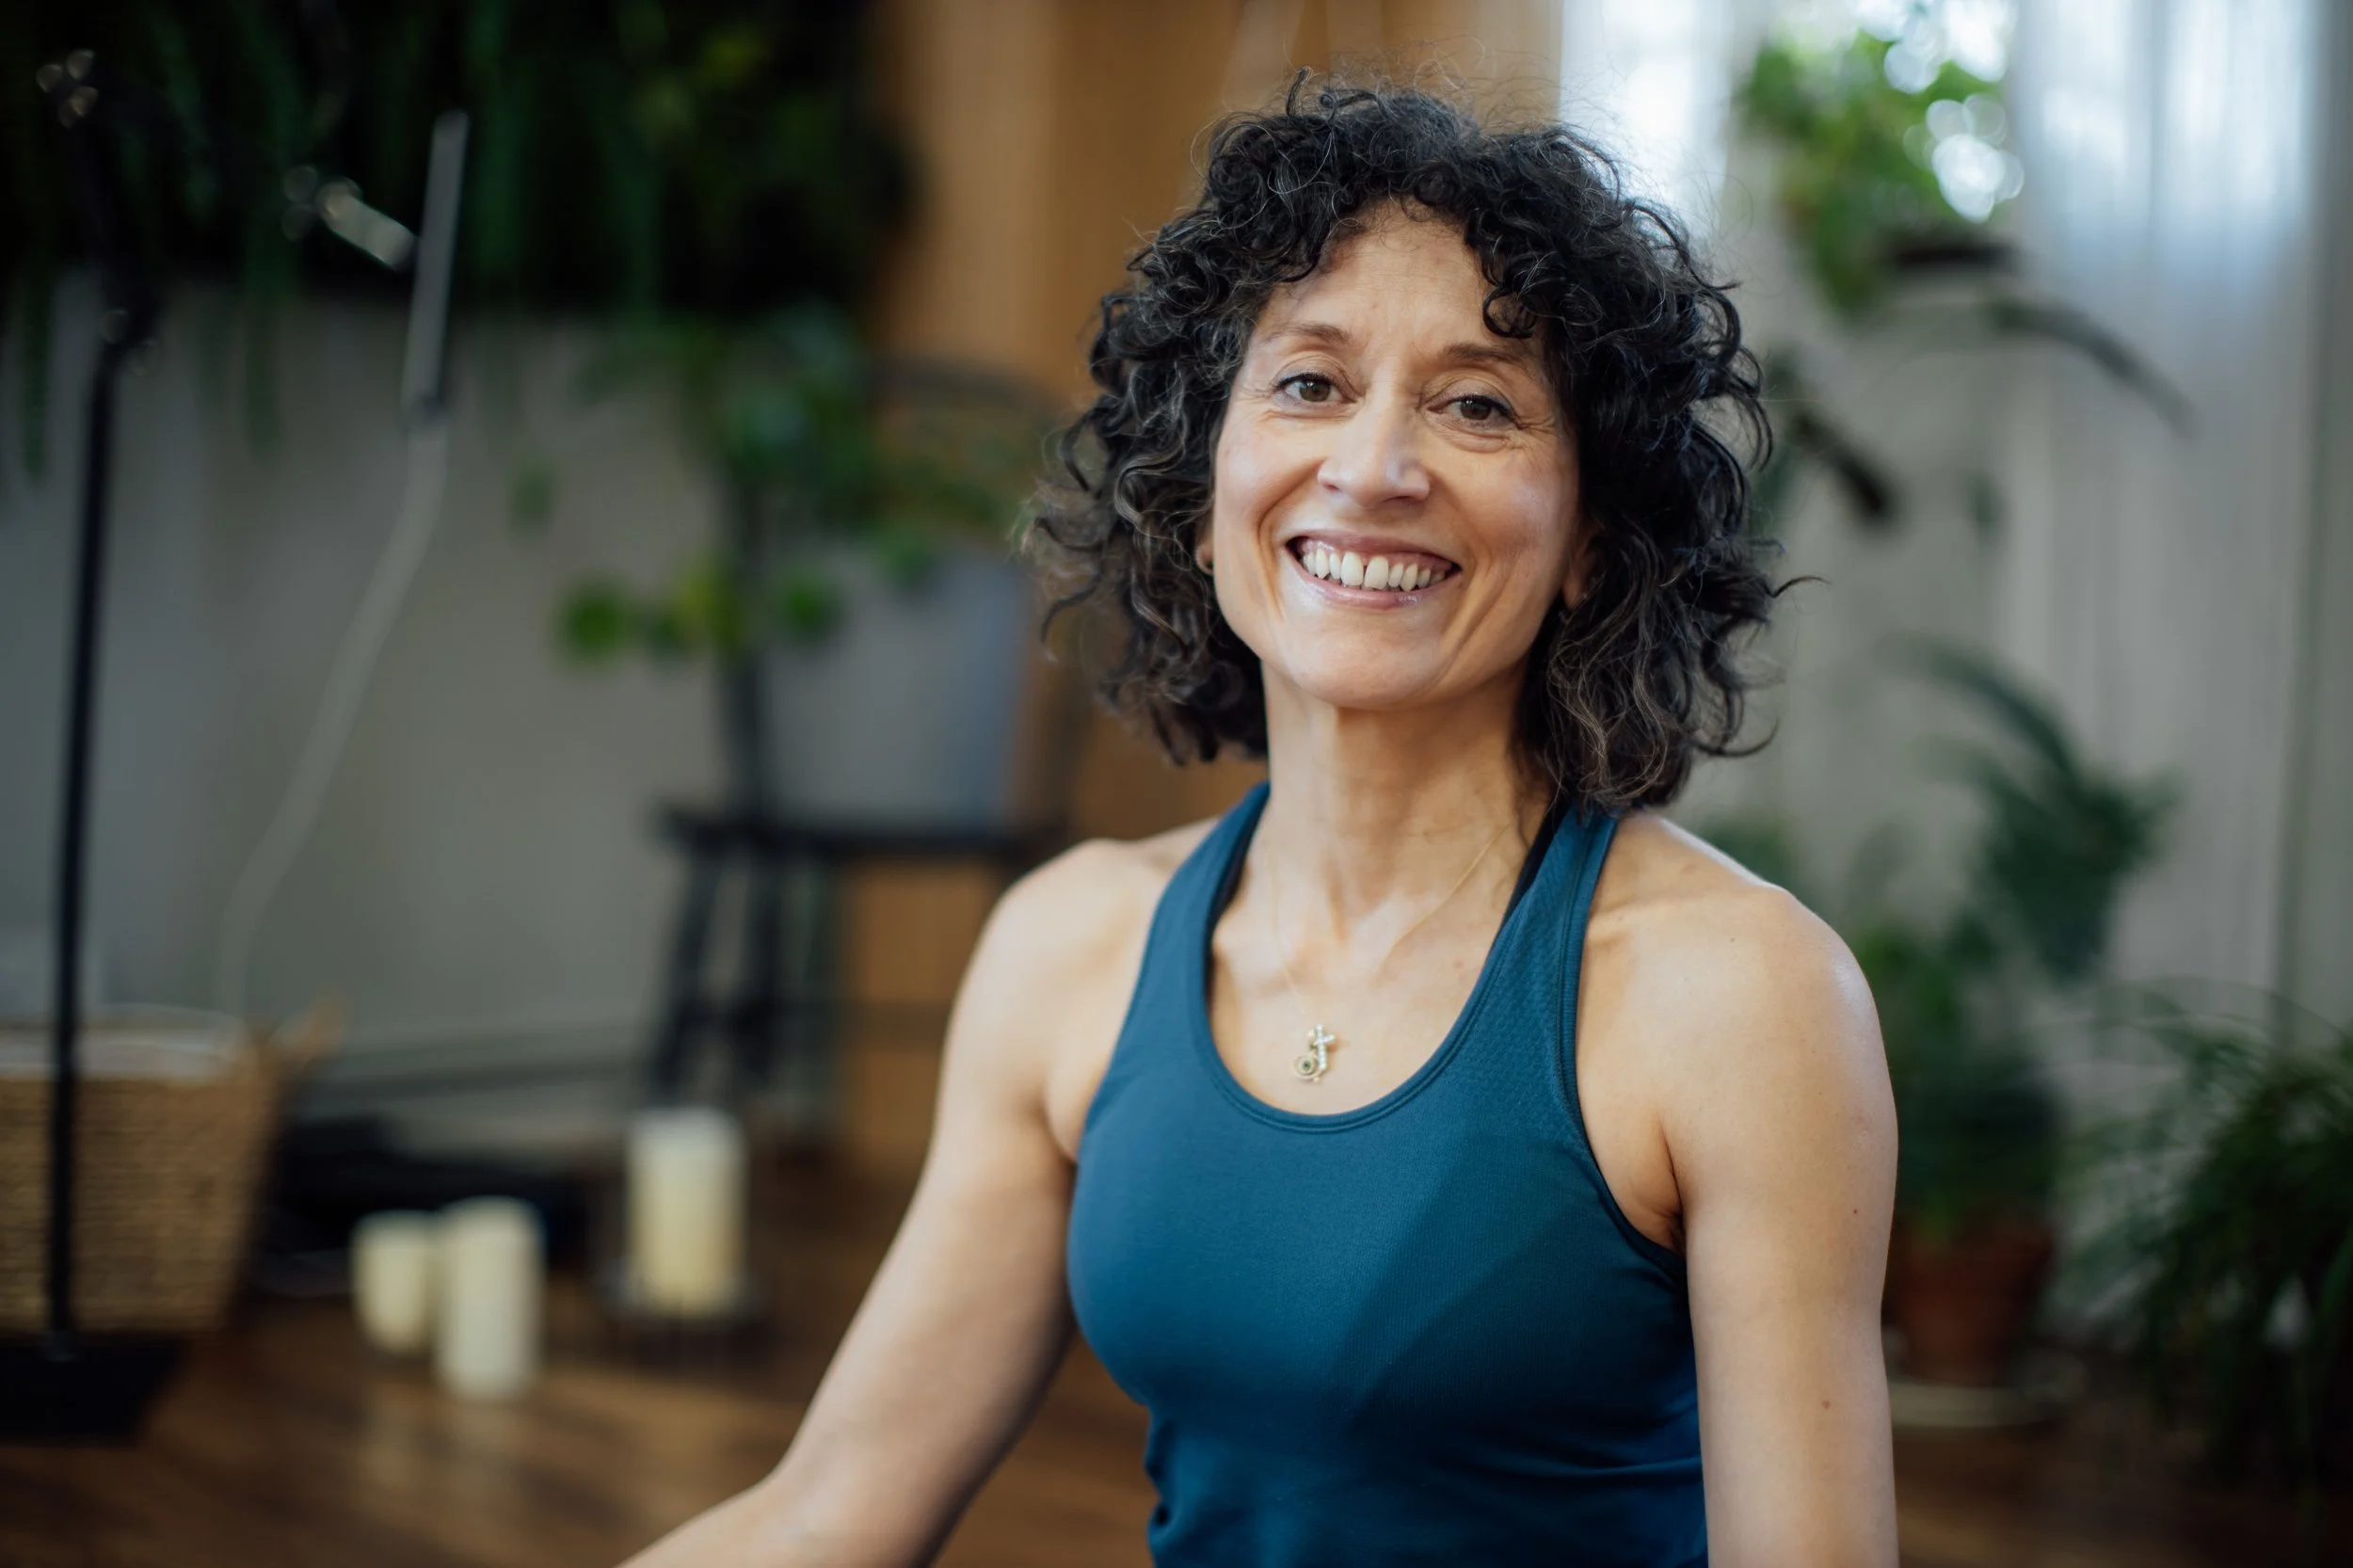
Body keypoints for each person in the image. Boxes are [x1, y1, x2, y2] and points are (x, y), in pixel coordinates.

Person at [623, 82, 1897, 1568]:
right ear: (1202, 478)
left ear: (1589, 546)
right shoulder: (1073, 946)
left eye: (1477, 403)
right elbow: (831, 1510)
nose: (1372, 468)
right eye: (1307, 383)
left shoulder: (1739, 995)